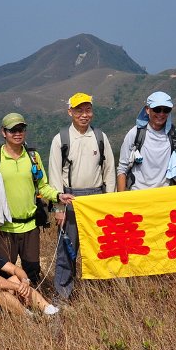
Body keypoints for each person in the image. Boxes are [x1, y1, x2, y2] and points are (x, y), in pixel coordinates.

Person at [0, 113, 74, 287]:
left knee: (32, 270)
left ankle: (32, 303)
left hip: (30, 226)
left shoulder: (33, 157)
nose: (17, 133)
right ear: (3, 132)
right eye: (13, 130)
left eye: (21, 129)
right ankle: (7, 309)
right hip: (4, 227)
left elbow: (43, 186)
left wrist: (58, 196)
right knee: (4, 272)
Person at [48, 92, 116, 301]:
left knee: (99, 248)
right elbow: (55, 175)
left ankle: (99, 292)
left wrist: (109, 201)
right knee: (67, 249)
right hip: (70, 198)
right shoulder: (61, 139)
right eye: (79, 110)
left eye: (87, 110)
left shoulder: (99, 137)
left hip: (96, 198)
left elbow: (109, 170)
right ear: (70, 112)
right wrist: (59, 209)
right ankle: (63, 294)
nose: (84, 115)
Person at [117, 91, 176, 191]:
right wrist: (121, 200)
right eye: (157, 109)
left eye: (166, 110)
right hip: (138, 195)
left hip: (164, 196)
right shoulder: (134, 134)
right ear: (147, 110)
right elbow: (122, 169)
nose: (161, 114)